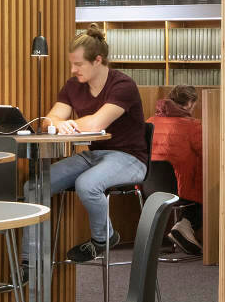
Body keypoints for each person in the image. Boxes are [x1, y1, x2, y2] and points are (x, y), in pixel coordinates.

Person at [45, 25, 148, 262]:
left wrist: (67, 122)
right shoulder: (73, 86)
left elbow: (95, 124)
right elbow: (49, 119)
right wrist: (57, 123)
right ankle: (32, 260)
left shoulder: (123, 85)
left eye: (78, 64)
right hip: (94, 156)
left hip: (130, 158)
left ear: (98, 60)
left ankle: (104, 238)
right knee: (37, 184)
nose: (73, 70)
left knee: (87, 185)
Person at [151, 85, 204, 255]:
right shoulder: (193, 126)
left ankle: (182, 226)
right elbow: (210, 154)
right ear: (189, 103)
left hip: (147, 189)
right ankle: (185, 224)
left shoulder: (149, 122)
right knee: (210, 181)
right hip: (180, 190)